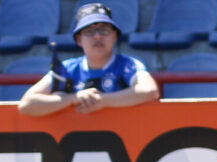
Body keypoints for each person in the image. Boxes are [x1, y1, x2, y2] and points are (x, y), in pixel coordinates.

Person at [18, 3, 159, 117]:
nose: (97, 37)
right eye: (89, 32)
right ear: (79, 40)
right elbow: (27, 105)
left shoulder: (128, 64)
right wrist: (72, 98)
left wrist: (101, 101)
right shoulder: (67, 69)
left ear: (115, 36)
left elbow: (150, 91)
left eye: (104, 30)